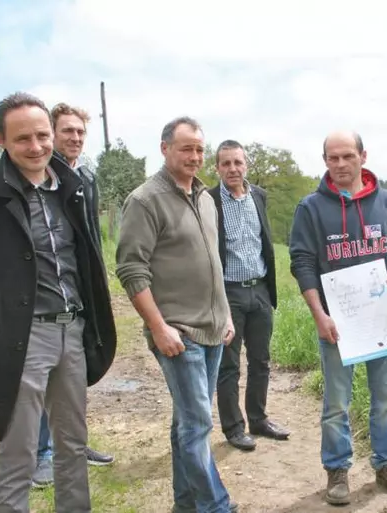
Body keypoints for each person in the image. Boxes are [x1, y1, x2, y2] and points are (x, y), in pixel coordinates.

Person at [0, 92, 117, 512]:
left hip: (71, 332)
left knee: (73, 444)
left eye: (43, 135)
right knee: (19, 450)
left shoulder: (74, 187)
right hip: (17, 338)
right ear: (1, 139)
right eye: (23, 138)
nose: (37, 146)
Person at [115, 117, 239, 513]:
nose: (195, 156)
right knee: (198, 424)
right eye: (186, 148)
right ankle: (216, 506)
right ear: (165, 148)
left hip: (214, 329)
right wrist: (158, 327)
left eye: (200, 149)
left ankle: (185, 504)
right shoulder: (145, 200)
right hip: (178, 333)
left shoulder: (205, 198)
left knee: (186, 423)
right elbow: (132, 270)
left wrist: (226, 314)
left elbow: (213, 263)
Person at [288, 130, 387, 506]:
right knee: (336, 403)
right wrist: (318, 316)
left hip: (380, 319)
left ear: (363, 155)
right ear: (325, 161)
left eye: (347, 156)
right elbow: (303, 262)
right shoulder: (310, 208)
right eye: (333, 158)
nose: (340, 164)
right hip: (336, 324)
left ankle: (386, 464)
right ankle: (337, 470)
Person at [31, 102, 114, 489]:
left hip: (80, 291)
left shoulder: (85, 177)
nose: (75, 138)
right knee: (45, 377)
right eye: (68, 131)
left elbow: (90, 240)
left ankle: (74, 446)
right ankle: (42, 454)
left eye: (80, 132)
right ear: (52, 132)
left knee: (74, 375)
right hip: (46, 295)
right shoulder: (40, 178)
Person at [208, 140, 289, 451]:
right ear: (217, 168)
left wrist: (268, 290)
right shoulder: (209, 200)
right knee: (229, 364)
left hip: (259, 290)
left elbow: (263, 242)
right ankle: (233, 427)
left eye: (237, 163)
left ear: (246, 165)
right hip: (228, 293)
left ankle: (258, 419)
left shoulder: (258, 196)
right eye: (226, 163)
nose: (232, 169)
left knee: (261, 360)